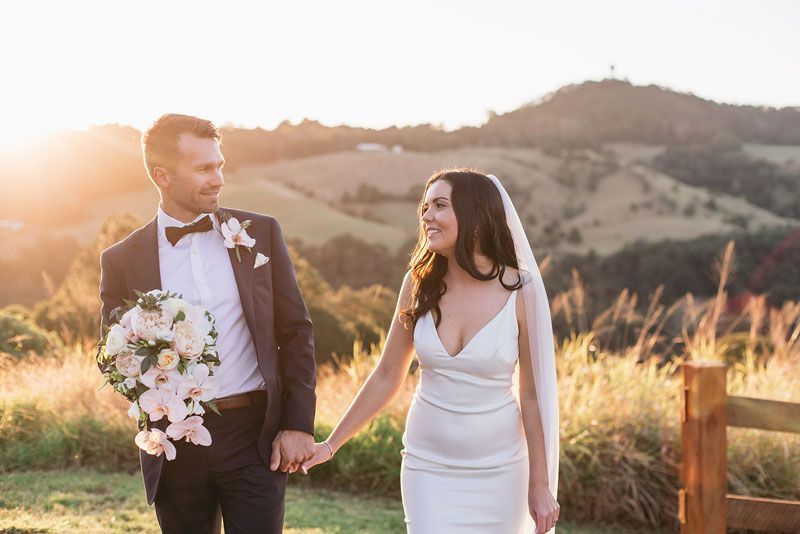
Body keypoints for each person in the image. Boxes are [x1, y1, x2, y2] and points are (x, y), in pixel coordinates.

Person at [301, 168, 560, 533]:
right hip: (427, 468)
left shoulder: (522, 290)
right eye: (424, 207)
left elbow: (532, 396)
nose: (426, 217)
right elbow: (388, 375)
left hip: (501, 471)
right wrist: (330, 445)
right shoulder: (418, 283)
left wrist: (540, 484)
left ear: (473, 214)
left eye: (439, 205)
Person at [98, 113, 317, 533]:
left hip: (255, 437)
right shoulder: (121, 259)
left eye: (219, 166)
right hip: (174, 443)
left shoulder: (261, 235)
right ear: (162, 176)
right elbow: (112, 353)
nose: (218, 178)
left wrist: (297, 424)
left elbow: (296, 332)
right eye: (203, 169)